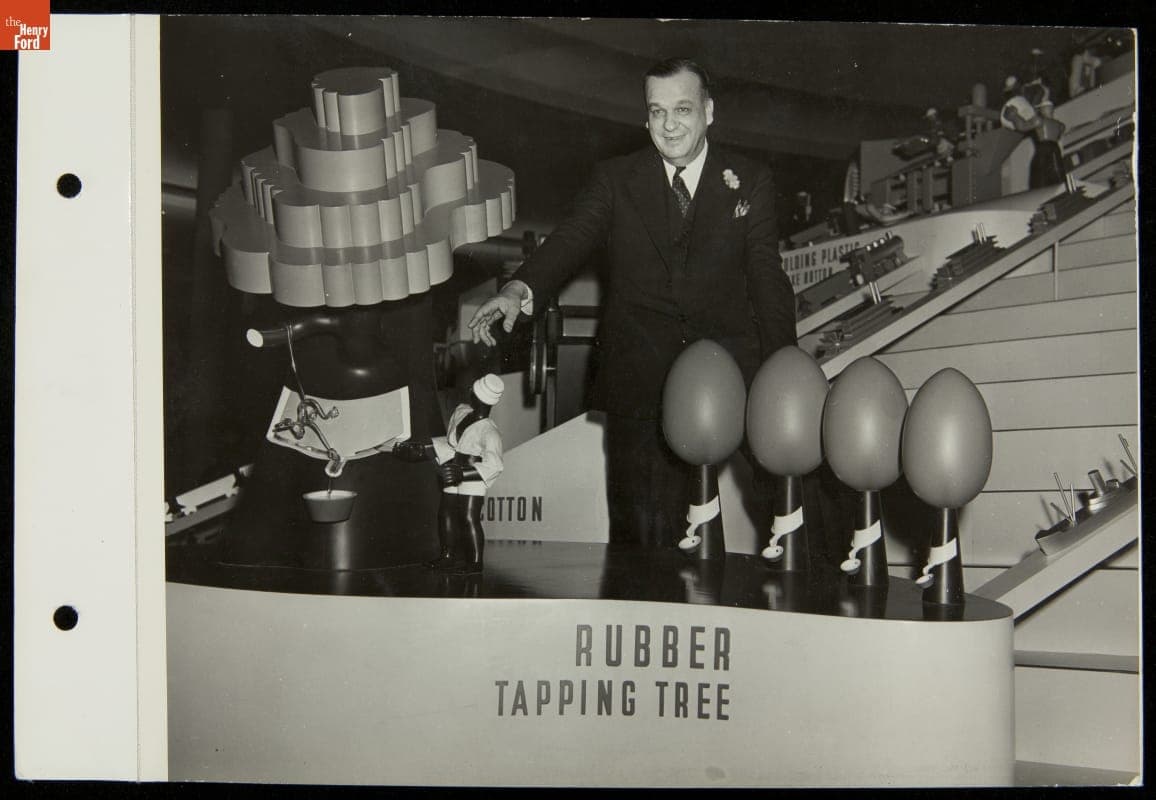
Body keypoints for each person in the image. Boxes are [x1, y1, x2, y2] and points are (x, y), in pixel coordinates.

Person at [468, 58, 796, 549]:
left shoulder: (749, 180)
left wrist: (783, 368)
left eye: (682, 109)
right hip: (640, 379)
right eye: (657, 111)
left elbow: (768, 277)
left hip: (734, 368)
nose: (669, 125)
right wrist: (519, 288)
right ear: (646, 118)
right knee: (644, 540)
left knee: (788, 500)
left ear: (708, 111)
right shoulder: (615, 179)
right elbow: (570, 239)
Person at [392, 374, 505, 572]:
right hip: (453, 469)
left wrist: (465, 474)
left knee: (469, 517)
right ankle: (447, 555)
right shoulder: (461, 412)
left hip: (473, 475)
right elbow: (453, 444)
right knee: (446, 513)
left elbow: (494, 465)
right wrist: (426, 449)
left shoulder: (490, 432)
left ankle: (475, 563)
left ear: (476, 394)